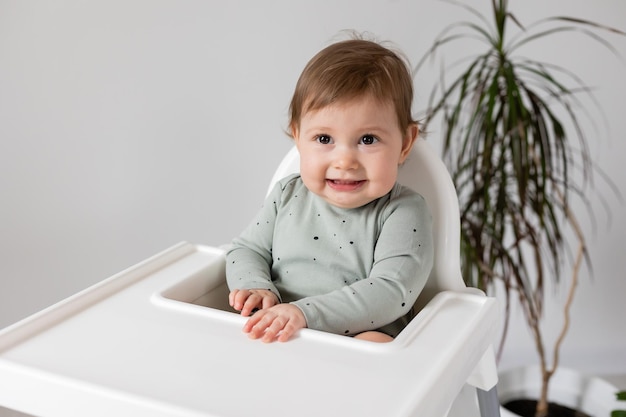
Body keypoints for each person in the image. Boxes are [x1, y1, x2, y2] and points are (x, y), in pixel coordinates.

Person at [226, 36, 434, 343]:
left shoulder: (403, 211)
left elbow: (392, 290)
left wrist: (305, 314)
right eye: (324, 139)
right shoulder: (287, 195)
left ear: (405, 143)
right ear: (298, 137)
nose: (345, 161)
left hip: (357, 336)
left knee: (375, 345)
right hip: (282, 332)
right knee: (238, 326)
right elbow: (246, 250)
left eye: (368, 140)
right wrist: (256, 286)